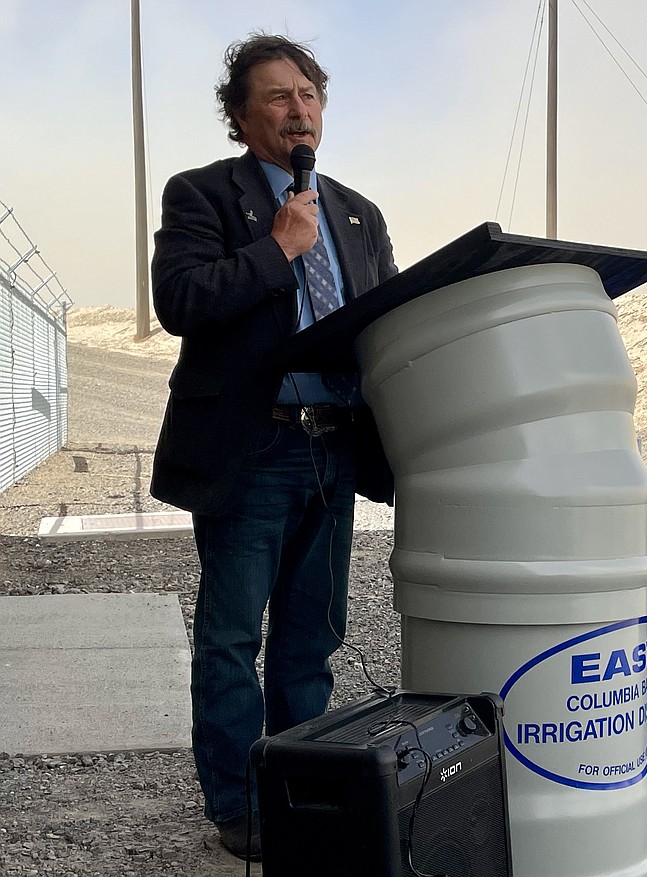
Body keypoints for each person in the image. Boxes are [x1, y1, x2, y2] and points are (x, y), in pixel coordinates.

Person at [150, 33, 397, 861]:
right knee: (230, 637)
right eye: (278, 97)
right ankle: (236, 802)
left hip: (333, 448)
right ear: (240, 116)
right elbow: (183, 299)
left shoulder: (359, 212)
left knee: (311, 638)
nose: (300, 110)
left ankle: (302, 788)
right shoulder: (201, 195)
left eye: (310, 95)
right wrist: (278, 248)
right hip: (252, 451)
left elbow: (385, 326)